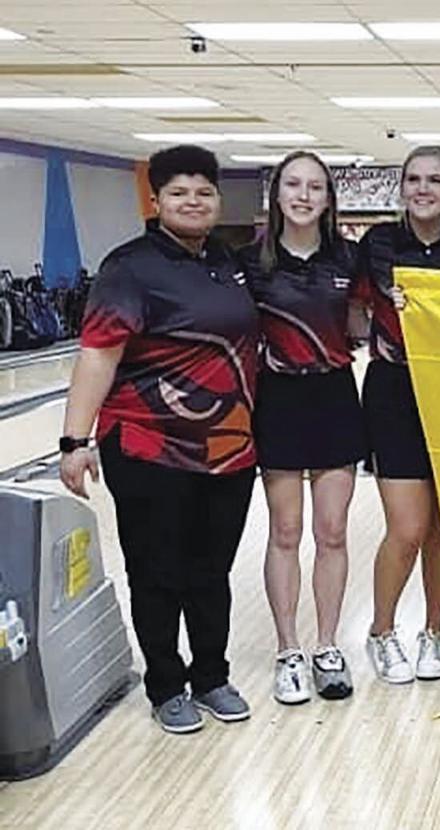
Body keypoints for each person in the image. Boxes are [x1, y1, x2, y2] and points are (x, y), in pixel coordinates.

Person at [60, 145, 258, 734]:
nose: (193, 202)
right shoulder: (130, 267)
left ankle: (213, 677)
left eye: (203, 192)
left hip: (227, 447)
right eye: (179, 192)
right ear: (156, 200)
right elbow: (97, 354)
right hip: (147, 445)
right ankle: (167, 685)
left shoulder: (227, 260)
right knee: (156, 569)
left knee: (211, 570)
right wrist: (74, 441)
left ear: (217, 200)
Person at [241, 151, 366, 704]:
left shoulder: (351, 258)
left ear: (329, 198)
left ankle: (328, 645)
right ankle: (288, 649)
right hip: (280, 400)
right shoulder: (249, 263)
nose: (304, 194)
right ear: (277, 194)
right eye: (293, 184)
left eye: (315, 186)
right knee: (286, 531)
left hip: (335, 395)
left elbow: (365, 321)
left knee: (332, 532)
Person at [358, 145, 440, 685]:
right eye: (413, 179)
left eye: (434, 179)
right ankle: (381, 633)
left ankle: (434, 631)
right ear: (401, 188)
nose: (423, 188)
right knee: (407, 528)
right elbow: (356, 312)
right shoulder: (378, 244)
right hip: (395, 393)